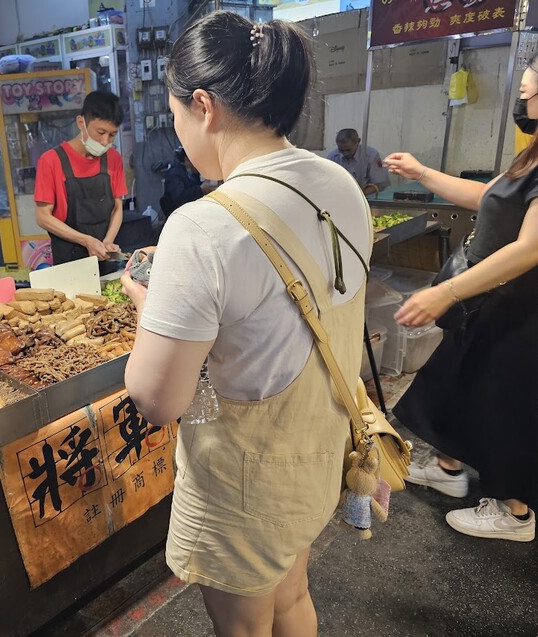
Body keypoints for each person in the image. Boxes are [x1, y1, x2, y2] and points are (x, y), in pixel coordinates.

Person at [121, 13, 372, 637]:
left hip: (246, 480)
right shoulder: (338, 184)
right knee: (291, 598)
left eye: (177, 115)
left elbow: (157, 399)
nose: (180, 135)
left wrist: (144, 302)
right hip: (317, 452)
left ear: (203, 106)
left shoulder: (203, 225)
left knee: (241, 625)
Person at [383, 56, 538, 543]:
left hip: (520, 310)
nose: (521, 100)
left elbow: (530, 249)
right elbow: (485, 197)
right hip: (490, 303)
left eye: (528, 93)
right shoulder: (531, 154)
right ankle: (450, 466)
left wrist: (444, 291)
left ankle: (515, 513)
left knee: (502, 402)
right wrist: (422, 172)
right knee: (451, 378)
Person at [34, 91, 127, 274]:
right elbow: (43, 217)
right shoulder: (51, 161)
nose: (105, 141)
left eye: (112, 135)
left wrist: (108, 240)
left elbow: (117, 207)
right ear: (81, 123)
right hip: (70, 263)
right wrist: (86, 240)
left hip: (105, 260)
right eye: (100, 132)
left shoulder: (113, 159)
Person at [327, 128, 390, 196]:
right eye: (341, 150)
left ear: (358, 142)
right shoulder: (333, 157)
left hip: (370, 197)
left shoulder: (371, 155)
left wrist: (358, 196)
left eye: (348, 150)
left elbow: (377, 184)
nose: (345, 153)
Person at [160, 146, 216, 216]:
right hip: (178, 215)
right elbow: (179, 197)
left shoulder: (193, 174)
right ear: (187, 160)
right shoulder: (175, 174)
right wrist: (200, 189)